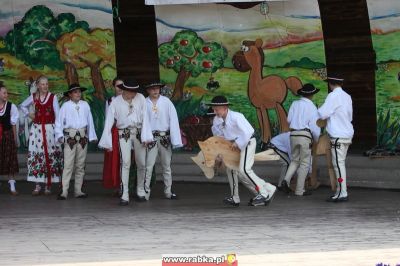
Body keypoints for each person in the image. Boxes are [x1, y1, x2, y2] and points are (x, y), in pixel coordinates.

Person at [209, 95, 276, 207]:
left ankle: (264, 193)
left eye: (217, 109)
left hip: (247, 142)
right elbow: (219, 137)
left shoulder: (236, 116)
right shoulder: (217, 120)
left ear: (225, 107)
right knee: (230, 169)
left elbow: (249, 131)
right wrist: (220, 153)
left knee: (244, 170)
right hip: (232, 146)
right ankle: (235, 198)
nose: (215, 111)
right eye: (214, 109)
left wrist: (238, 142)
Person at [99, 79, 153, 206]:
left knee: (141, 162)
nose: (133, 94)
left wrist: (146, 137)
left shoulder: (140, 98)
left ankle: (140, 190)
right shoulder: (115, 102)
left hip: (139, 132)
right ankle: (125, 194)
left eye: (135, 91)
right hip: (124, 133)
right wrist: (107, 143)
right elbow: (109, 122)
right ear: (124, 90)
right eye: (131, 92)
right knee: (126, 162)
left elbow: (146, 118)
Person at [20, 76, 62, 195]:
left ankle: (48, 185)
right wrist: (29, 114)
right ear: (38, 85)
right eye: (42, 84)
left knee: (49, 155)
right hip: (37, 130)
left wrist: (57, 132)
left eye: (46, 84)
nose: (45, 86)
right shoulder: (33, 97)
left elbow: (58, 115)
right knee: (38, 155)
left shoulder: (52, 97)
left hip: (49, 129)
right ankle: (37, 185)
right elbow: (23, 106)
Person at [55, 84, 97, 200]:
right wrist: (59, 136)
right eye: (75, 92)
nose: (78, 94)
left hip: (83, 137)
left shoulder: (85, 105)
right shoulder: (65, 106)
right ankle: (64, 191)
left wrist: (92, 135)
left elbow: (90, 121)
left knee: (80, 165)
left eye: (79, 92)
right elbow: (58, 122)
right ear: (70, 94)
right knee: (68, 165)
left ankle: (78, 190)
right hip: (70, 138)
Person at [143, 81, 183, 200]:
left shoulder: (166, 102)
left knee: (167, 166)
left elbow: (174, 121)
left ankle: (168, 191)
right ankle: (145, 192)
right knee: (148, 166)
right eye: (152, 89)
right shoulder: (144, 103)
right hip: (151, 138)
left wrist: (175, 140)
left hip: (165, 137)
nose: (155, 91)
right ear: (148, 90)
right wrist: (145, 137)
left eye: (157, 88)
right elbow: (143, 123)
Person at [318, 74, 353, 202]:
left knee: (338, 165)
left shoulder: (333, 96)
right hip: (347, 134)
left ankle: (342, 192)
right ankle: (340, 191)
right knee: (340, 163)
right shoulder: (347, 96)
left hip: (338, 136)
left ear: (330, 84)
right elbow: (350, 117)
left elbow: (322, 113)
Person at [281, 83, 320, 196]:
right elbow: (314, 126)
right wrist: (316, 139)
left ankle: (286, 180)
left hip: (293, 134)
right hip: (305, 135)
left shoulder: (295, 103)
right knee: (304, 163)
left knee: (294, 160)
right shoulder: (312, 107)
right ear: (312, 95)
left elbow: (289, 120)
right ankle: (299, 190)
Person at [102, 77, 123, 192]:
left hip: (125, 131)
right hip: (114, 132)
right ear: (113, 87)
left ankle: (126, 185)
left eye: (122, 86)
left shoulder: (129, 99)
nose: (120, 88)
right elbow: (107, 121)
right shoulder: (110, 101)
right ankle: (116, 186)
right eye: (117, 86)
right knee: (114, 159)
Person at [0, 81, 19, 195]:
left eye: (6, 93)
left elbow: (13, 124)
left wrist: (15, 138)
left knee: (10, 160)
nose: (6, 95)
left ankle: (12, 185)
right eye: (4, 93)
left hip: (7, 136)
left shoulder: (11, 106)